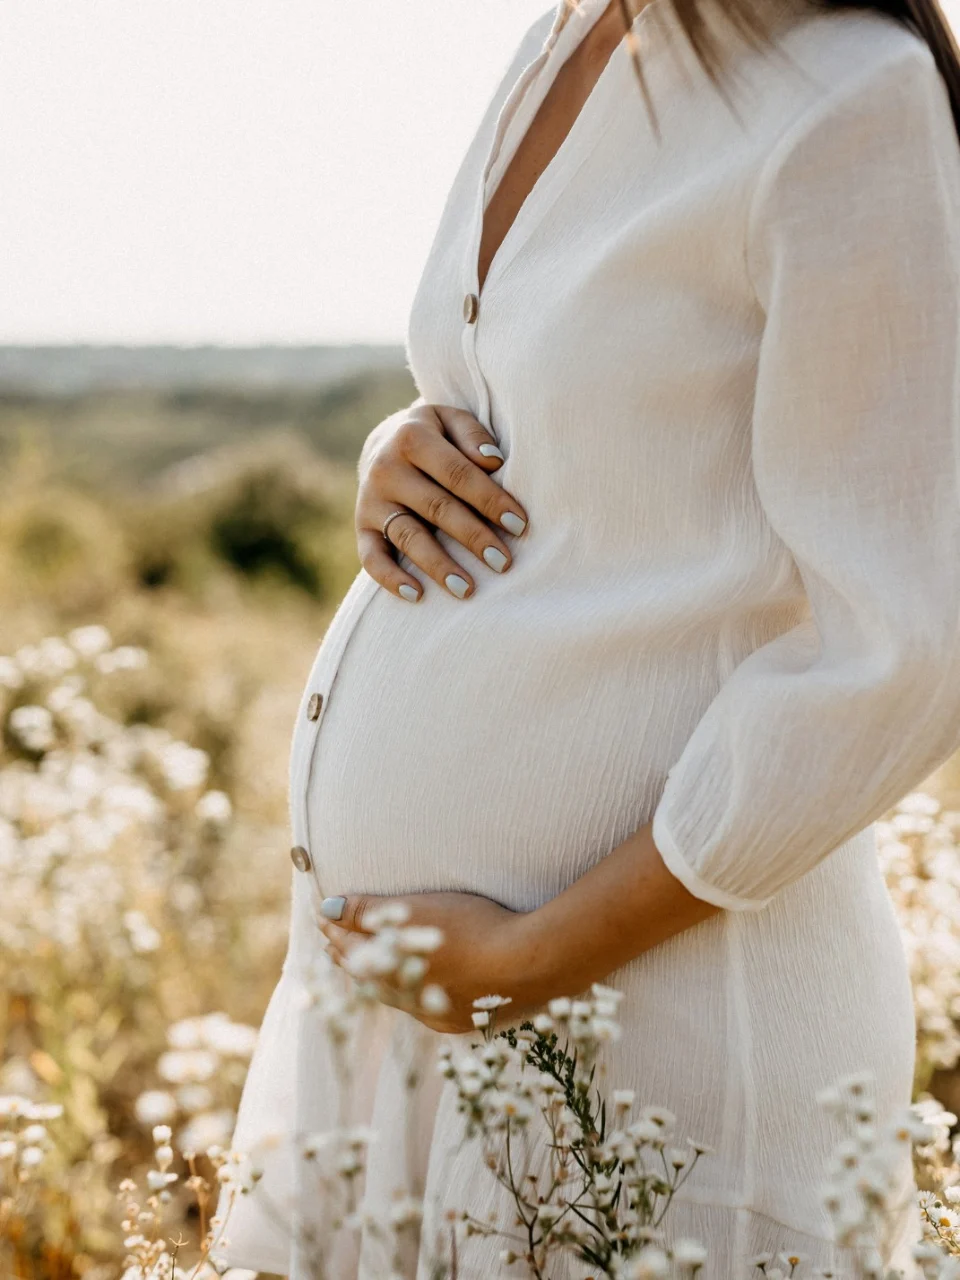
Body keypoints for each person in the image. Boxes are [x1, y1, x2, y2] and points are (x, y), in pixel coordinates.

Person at [221, 0, 960, 1273]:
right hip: (410, 1027)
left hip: (648, 1041)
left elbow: (905, 650)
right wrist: (405, 447)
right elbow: (560, 400)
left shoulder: (852, 92)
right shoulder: (572, 35)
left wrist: (528, 958)